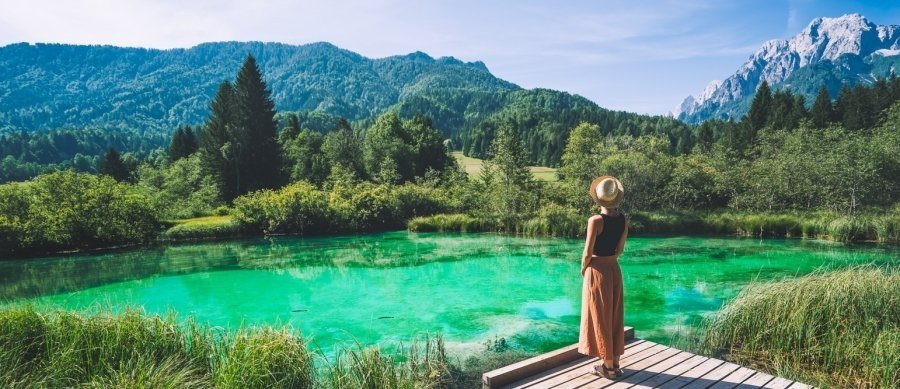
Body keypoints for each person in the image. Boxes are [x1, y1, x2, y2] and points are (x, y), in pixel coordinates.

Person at [578, 176, 628, 379]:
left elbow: (587, 252)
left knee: (600, 315)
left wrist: (584, 269)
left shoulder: (595, 220)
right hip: (613, 268)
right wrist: (610, 260)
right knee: (614, 314)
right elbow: (620, 249)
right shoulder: (623, 220)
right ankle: (615, 362)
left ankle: (607, 368)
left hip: (597, 269)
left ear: (598, 199)